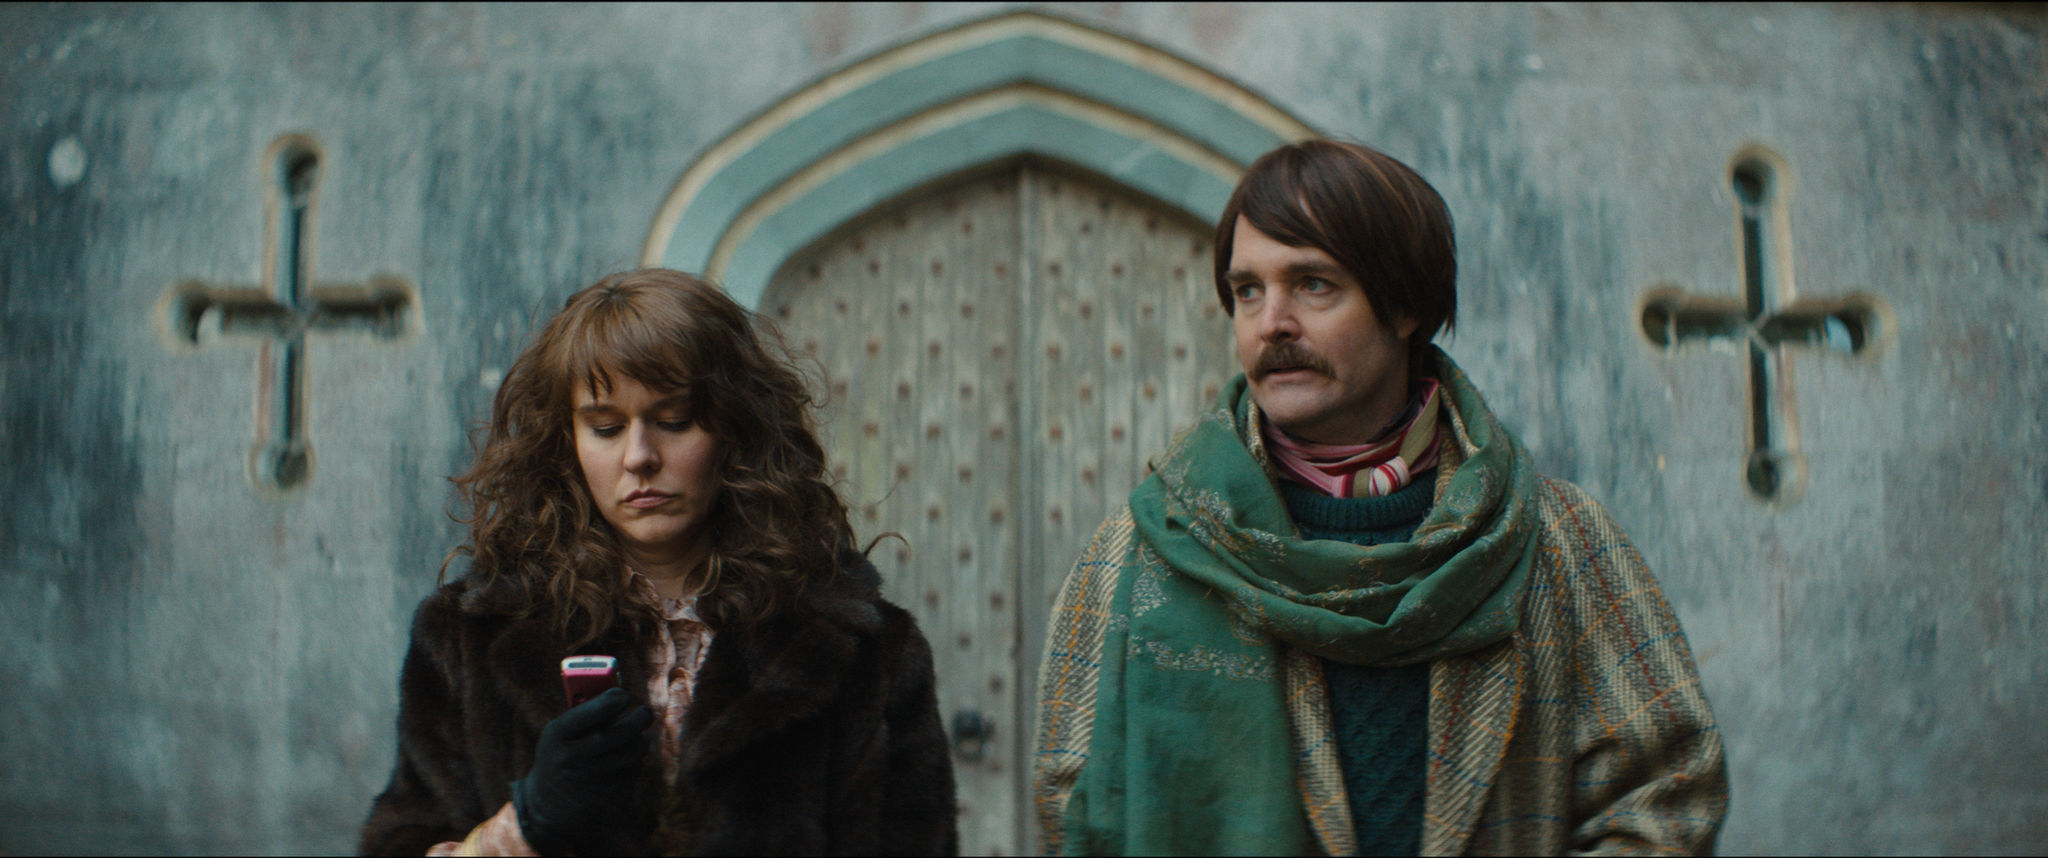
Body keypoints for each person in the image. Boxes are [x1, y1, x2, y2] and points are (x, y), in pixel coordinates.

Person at [1031, 140, 1729, 856]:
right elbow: (1074, 799)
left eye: (1312, 284)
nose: (1271, 322)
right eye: (1248, 291)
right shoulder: (1153, 543)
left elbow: (1666, 796)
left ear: (1403, 306)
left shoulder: (1555, 538)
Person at [360, 269, 958, 856]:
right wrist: (527, 824)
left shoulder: (864, 650)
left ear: (737, 428)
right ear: (567, 441)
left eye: (674, 421)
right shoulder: (468, 638)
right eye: (605, 427)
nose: (639, 456)